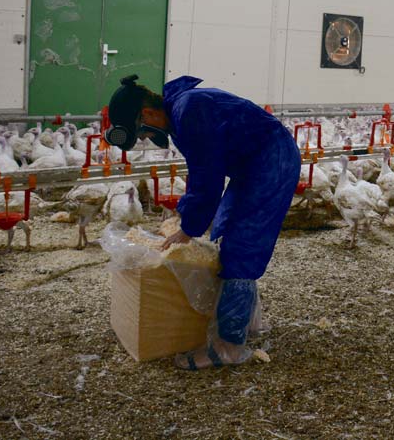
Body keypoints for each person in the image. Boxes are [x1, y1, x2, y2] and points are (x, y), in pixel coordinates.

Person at [104, 74, 301, 369]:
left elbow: (206, 178)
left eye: (142, 132)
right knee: (225, 228)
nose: (147, 137)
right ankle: (249, 321)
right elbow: (206, 172)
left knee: (242, 245)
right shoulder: (181, 108)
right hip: (253, 163)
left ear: (146, 114)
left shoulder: (189, 110)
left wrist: (188, 228)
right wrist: (189, 220)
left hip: (271, 161)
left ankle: (229, 347)